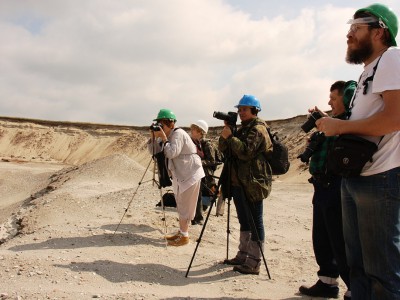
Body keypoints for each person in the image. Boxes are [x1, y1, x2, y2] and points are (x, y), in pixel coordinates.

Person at [316, 4, 400, 299]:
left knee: (381, 269)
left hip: (381, 177)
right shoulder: (370, 70)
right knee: (357, 268)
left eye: (356, 28)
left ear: (379, 32)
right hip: (357, 176)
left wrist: (339, 128)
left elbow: (394, 119)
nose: (349, 35)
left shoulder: (392, 58)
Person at [298, 80, 356, 300]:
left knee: (340, 239)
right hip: (321, 186)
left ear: (346, 99)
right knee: (321, 237)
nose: (329, 102)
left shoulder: (350, 123)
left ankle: (353, 287)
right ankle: (327, 282)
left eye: (333, 98)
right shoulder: (332, 123)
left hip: (337, 186)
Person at [218, 94, 272, 275]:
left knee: (255, 221)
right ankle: (243, 254)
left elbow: (246, 152)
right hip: (239, 182)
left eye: (244, 109)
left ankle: (254, 261)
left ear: (254, 110)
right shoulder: (242, 129)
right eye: (239, 109)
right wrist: (227, 134)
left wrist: (231, 138)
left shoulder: (258, 129)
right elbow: (223, 150)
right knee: (244, 219)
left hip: (253, 183)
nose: (241, 112)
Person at [148, 108, 205, 246]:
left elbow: (172, 153)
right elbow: (154, 152)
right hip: (181, 174)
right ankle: (181, 232)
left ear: (170, 123)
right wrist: (153, 138)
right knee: (181, 203)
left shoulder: (178, 133)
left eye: (162, 124)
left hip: (190, 173)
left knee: (185, 204)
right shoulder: (168, 136)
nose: (161, 127)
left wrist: (164, 138)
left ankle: (184, 236)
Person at [190, 120, 218, 225]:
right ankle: (195, 217)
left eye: (194, 129)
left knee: (199, 195)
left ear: (200, 131)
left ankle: (198, 218)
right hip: (196, 172)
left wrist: (198, 162)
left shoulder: (207, 144)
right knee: (195, 195)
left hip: (205, 174)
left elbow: (212, 161)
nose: (191, 131)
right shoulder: (194, 143)